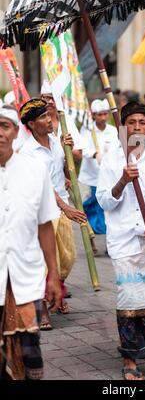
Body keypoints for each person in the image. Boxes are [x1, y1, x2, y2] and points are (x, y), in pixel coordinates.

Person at [96, 101, 145, 381]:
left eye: (142, 123)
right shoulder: (112, 159)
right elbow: (103, 199)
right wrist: (122, 181)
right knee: (127, 297)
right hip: (123, 240)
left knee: (144, 296)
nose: (137, 127)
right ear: (123, 127)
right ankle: (130, 359)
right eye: (132, 123)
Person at [0, 106, 61, 380]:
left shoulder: (35, 170)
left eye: (5, 126)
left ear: (15, 132)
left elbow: (45, 224)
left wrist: (54, 275)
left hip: (27, 274)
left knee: (29, 349)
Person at [20, 99, 86, 325]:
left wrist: (71, 156)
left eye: (49, 115)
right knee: (45, 263)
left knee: (67, 258)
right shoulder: (28, 152)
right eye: (43, 117)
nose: (49, 120)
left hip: (61, 206)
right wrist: (66, 208)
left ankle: (55, 289)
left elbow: (65, 171)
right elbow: (44, 185)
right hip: (42, 212)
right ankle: (43, 309)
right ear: (31, 124)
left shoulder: (56, 143)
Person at [79, 99, 119, 254]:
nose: (103, 117)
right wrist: (94, 154)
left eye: (105, 114)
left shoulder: (113, 130)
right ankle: (91, 244)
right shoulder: (87, 130)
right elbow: (82, 148)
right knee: (87, 212)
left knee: (108, 212)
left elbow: (118, 149)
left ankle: (110, 245)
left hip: (107, 178)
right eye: (100, 114)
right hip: (89, 178)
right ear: (94, 115)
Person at [40, 80, 85, 164]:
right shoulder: (35, 122)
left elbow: (78, 156)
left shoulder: (67, 121)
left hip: (63, 175)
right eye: (47, 98)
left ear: (60, 100)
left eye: (54, 98)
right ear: (41, 98)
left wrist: (65, 149)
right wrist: (63, 151)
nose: (50, 102)